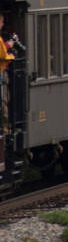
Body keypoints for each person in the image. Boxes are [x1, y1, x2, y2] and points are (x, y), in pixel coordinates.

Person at [0, 14, 15, 168]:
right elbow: (2, 54)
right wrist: (10, 47)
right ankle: (5, 127)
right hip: (1, 74)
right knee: (4, 101)